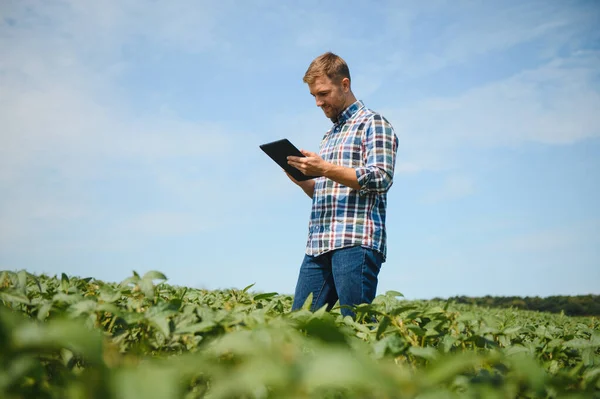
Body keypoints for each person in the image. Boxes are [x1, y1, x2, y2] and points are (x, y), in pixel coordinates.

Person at [286, 52, 399, 319]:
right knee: (297, 327)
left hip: (355, 241)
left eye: (323, 93)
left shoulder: (374, 123)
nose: (318, 102)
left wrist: (323, 167)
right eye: (314, 95)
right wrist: (303, 180)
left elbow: (381, 177)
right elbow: (328, 191)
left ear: (345, 85)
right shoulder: (330, 135)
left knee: (358, 326)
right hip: (319, 244)